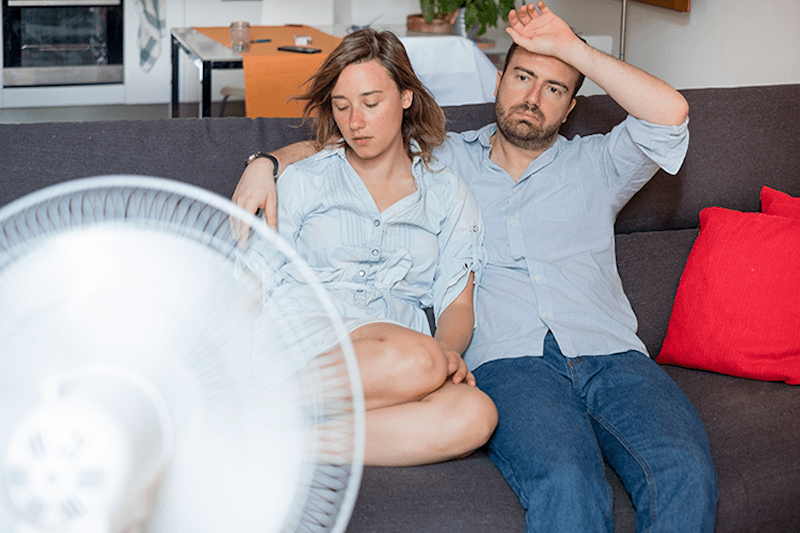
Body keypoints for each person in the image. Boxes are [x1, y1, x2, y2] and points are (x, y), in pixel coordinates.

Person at [233, 3, 718, 530]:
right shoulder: (446, 162)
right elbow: (361, 134)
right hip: (513, 364)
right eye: (523, 77)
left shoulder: (600, 163)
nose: (532, 97)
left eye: (554, 88)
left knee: (685, 470)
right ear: (498, 81)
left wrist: (571, 49)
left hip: (612, 353)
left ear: (571, 105)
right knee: (566, 481)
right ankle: (248, 412)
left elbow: (670, 115)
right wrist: (267, 161)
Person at [239, 28, 497, 468]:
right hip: (304, 340)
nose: (355, 122)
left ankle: (276, 435)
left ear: (406, 97)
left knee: (475, 414)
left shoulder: (447, 194)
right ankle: (250, 399)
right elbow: (252, 278)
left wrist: (448, 352)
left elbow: (456, 304)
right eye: (342, 107)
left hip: (391, 361)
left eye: (371, 103)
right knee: (419, 360)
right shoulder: (306, 180)